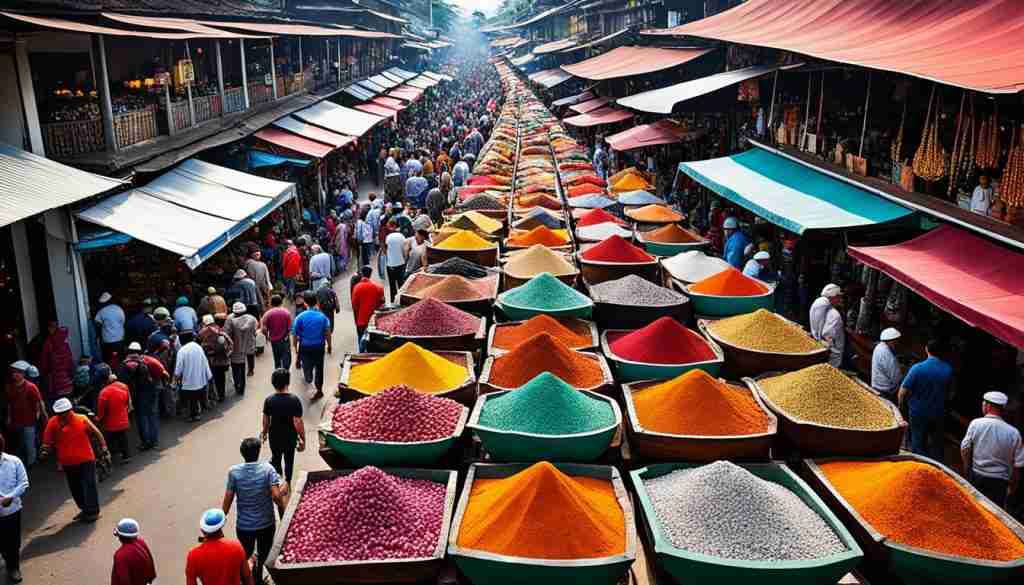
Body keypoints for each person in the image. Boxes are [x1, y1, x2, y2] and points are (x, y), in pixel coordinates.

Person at [222, 438, 286, 585]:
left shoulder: (234, 472)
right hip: (266, 524)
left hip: (244, 526)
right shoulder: (268, 469)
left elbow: (228, 499)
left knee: (245, 555)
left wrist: (220, 520)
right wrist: (283, 499)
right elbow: (276, 496)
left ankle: (248, 578)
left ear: (242, 454)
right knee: (264, 553)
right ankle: (258, 575)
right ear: (258, 452)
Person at [40, 397, 108, 522]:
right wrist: (45, 451)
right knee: (75, 488)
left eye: (64, 412)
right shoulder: (52, 423)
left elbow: (97, 433)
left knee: (89, 485)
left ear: (70, 410)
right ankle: (84, 509)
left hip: (86, 459)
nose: (62, 415)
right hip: (67, 462)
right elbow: (46, 442)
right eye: (60, 413)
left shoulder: (82, 419)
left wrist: (104, 448)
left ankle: (93, 512)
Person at [961, 391, 1023, 508]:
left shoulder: (976, 424)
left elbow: (965, 448)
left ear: (987, 406)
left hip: (977, 477)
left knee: (973, 508)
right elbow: (1018, 465)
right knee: (993, 513)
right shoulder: (1014, 433)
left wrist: (966, 467)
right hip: (999, 484)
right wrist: (1012, 487)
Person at [899, 339, 953, 462]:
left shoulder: (917, 368)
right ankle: (935, 465)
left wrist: (901, 405)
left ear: (926, 349)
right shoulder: (948, 370)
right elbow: (950, 394)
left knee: (917, 440)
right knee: (936, 442)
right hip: (938, 412)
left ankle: (918, 463)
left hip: (918, 412)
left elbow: (902, 391)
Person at [118, 342, 168, 450]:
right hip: (151, 391)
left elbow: (122, 381)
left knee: (141, 418)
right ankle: (154, 441)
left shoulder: (125, 364)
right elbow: (163, 372)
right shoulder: (148, 360)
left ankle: (145, 442)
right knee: (152, 415)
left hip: (137, 394)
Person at [185, 509, 254, 585]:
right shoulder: (236, 547)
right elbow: (247, 577)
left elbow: (190, 582)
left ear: (202, 531)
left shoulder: (193, 555)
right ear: (221, 527)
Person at [262, 369, 305, 485]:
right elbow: (298, 422)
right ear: (288, 382)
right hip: (290, 436)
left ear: (273, 383)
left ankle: (278, 481)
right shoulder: (294, 400)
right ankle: (288, 482)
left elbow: (266, 420)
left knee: (276, 458)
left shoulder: (269, 400)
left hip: (274, 436)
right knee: (289, 459)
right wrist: (302, 439)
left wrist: (264, 433)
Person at [5, 361, 46, 467]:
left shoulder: (31, 387)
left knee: (29, 444)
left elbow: (38, 403)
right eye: (14, 372)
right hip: (16, 420)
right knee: (21, 443)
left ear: (23, 374)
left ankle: (31, 463)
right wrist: (9, 417)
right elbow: (9, 404)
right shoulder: (10, 387)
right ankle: (23, 462)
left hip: (29, 421)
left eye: (18, 372)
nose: (15, 374)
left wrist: (38, 416)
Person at [292, 291, 332, 401]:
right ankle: (319, 390)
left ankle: (309, 379)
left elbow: (295, 335)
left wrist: (295, 348)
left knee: (306, 365)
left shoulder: (300, 317)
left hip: (305, 347)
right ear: (317, 301)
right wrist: (329, 345)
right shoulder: (323, 317)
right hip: (319, 347)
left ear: (305, 303)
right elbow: (327, 332)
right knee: (319, 368)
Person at [0, 434, 28, 583]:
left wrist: (10, 497)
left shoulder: (14, 461)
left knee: (13, 542)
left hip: (12, 510)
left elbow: (23, 483)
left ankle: (13, 567)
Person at [174, 331, 213, 422]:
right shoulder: (198, 347)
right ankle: (196, 414)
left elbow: (179, 368)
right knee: (196, 398)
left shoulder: (182, 351)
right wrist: (209, 375)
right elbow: (205, 362)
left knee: (188, 399)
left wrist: (175, 378)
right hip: (199, 381)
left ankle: (190, 416)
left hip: (187, 382)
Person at [96, 369, 133, 462]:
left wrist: (98, 418)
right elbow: (128, 402)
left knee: (109, 439)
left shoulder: (103, 393)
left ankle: (111, 456)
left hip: (110, 423)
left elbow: (101, 410)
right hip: (123, 419)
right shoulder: (124, 386)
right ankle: (126, 456)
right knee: (123, 438)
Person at [224, 303, 258, 395]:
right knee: (242, 368)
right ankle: (242, 387)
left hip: (235, 348)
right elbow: (255, 331)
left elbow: (226, 334)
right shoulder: (251, 319)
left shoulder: (230, 319)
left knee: (236, 368)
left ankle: (237, 386)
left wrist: (227, 348)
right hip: (247, 346)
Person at [198, 314, 233, 403]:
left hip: (212, 360)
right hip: (223, 360)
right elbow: (230, 343)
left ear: (204, 322)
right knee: (221, 377)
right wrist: (228, 354)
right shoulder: (220, 330)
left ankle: (215, 396)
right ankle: (222, 394)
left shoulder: (202, 332)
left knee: (214, 378)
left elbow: (201, 346)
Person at [110, 518, 156, 585]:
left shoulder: (120, 555)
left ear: (120, 537)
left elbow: (123, 579)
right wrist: (150, 579)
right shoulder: (141, 542)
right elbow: (150, 562)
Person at [809, 284, 845, 368]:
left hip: (817, 340)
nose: (840, 300)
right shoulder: (834, 314)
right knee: (832, 366)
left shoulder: (818, 302)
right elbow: (828, 334)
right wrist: (830, 345)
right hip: (831, 348)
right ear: (833, 296)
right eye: (838, 297)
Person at [351, 266, 385, 352]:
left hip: (361, 321)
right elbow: (382, 304)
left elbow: (354, 306)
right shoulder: (378, 288)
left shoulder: (356, 288)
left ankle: (361, 354)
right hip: (374, 320)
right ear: (370, 275)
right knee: (373, 344)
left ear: (362, 274)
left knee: (361, 340)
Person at [261, 296, 293, 371]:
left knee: (277, 358)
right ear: (281, 303)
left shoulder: (267, 314)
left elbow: (264, 329)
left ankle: (278, 372)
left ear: (271, 303)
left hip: (274, 340)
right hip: (285, 339)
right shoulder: (286, 313)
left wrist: (267, 336)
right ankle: (285, 372)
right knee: (286, 357)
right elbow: (290, 328)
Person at [871, 328, 902, 402]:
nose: (896, 344)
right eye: (895, 341)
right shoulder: (887, 354)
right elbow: (896, 378)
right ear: (891, 341)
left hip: (876, 385)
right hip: (885, 390)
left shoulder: (879, 346)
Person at [94, 292, 126, 364]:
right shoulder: (119, 309)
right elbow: (123, 322)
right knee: (120, 359)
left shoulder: (101, 311)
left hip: (107, 340)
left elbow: (97, 324)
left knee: (108, 359)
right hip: (119, 339)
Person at [384, 220, 407, 302]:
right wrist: (404, 258)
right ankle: (402, 301)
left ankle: (393, 301)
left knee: (392, 285)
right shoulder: (402, 236)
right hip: (401, 263)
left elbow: (386, 249)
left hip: (390, 265)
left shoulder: (388, 237)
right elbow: (405, 250)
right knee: (401, 284)